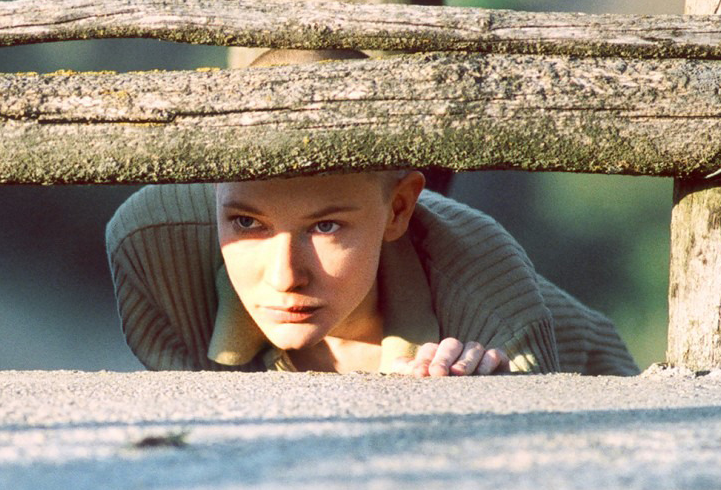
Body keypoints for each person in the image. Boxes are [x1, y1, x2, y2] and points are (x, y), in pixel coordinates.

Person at [105, 55, 637, 376]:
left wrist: (465, 410)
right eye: (247, 223)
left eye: (326, 226)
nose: (286, 276)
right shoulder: (152, 246)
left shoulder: (492, 308)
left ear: (398, 209)